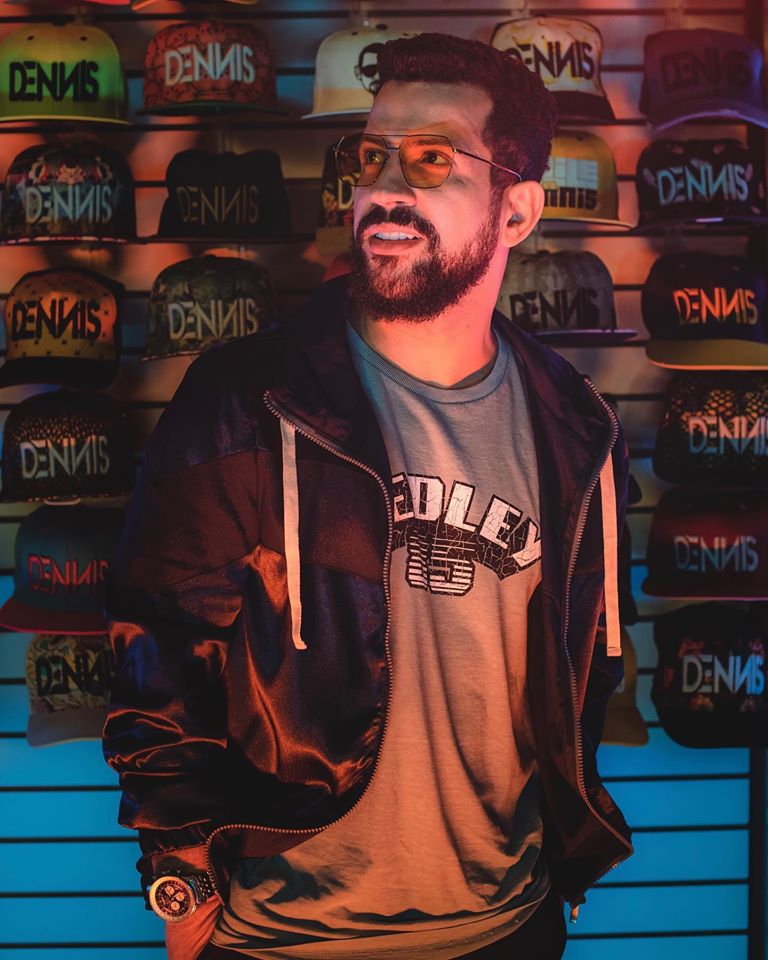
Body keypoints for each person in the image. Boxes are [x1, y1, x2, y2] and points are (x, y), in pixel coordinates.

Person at [102, 32, 634, 960]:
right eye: (371, 154)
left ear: (516, 209)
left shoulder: (577, 427)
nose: (385, 187)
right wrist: (181, 885)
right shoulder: (244, 396)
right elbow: (157, 652)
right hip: (278, 937)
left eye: (432, 158)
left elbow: (584, 667)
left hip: (508, 926)